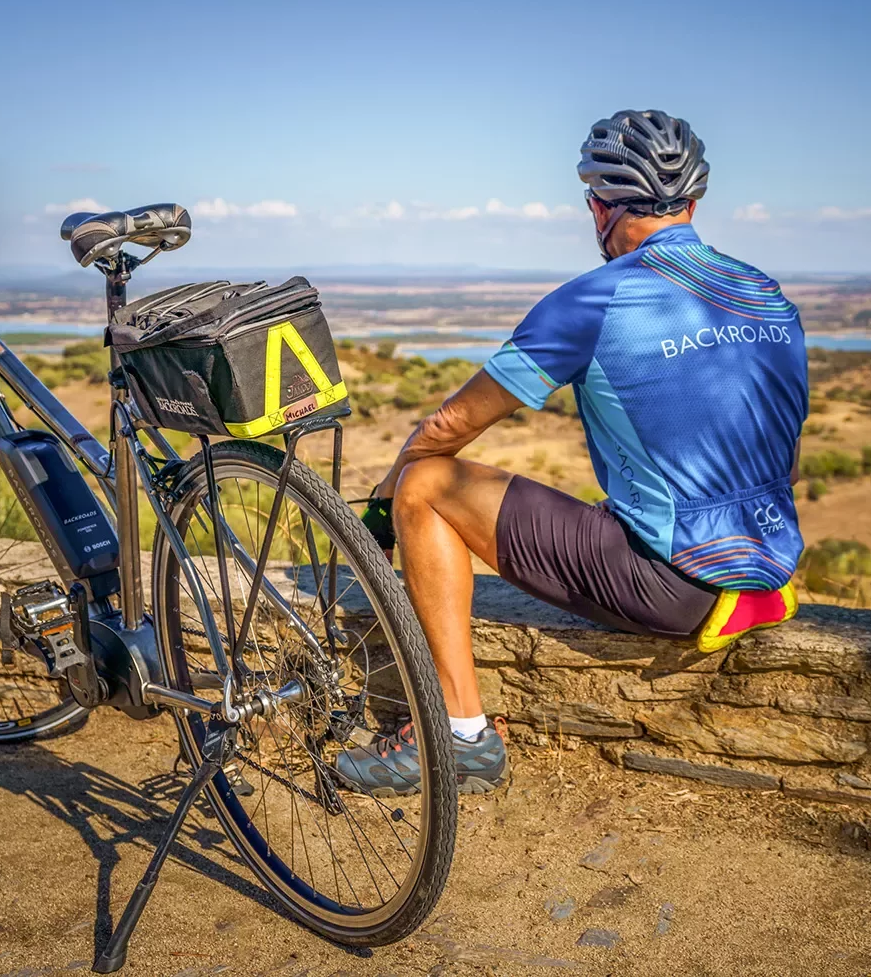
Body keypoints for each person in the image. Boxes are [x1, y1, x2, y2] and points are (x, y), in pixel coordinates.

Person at [332, 110, 810, 797]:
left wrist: (378, 513)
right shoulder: (765, 294)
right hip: (764, 568)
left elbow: (448, 425)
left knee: (426, 485)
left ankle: (458, 736)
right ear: (694, 204)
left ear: (600, 206)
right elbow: (786, 463)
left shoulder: (597, 298)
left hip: (672, 583)